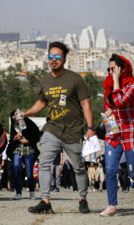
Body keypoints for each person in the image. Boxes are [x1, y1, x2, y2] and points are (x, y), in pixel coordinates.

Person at [24, 42, 95, 214]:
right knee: (44, 163)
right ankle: (45, 201)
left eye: (57, 57)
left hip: (73, 130)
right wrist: (26, 113)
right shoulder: (45, 80)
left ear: (64, 59)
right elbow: (42, 102)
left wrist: (91, 127)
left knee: (78, 167)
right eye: (50, 57)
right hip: (52, 128)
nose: (53, 60)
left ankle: (83, 198)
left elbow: (85, 104)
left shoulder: (75, 79)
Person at [100, 54, 134, 216]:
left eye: (114, 69)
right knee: (110, 169)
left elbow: (120, 101)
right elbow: (112, 104)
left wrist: (116, 81)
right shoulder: (109, 86)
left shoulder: (132, 85)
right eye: (108, 69)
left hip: (131, 132)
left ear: (123, 69)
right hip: (114, 132)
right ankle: (112, 205)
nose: (110, 72)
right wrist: (109, 111)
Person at [7, 110, 40, 200]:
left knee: (29, 172)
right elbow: (11, 140)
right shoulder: (13, 126)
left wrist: (28, 140)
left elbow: (37, 134)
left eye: (18, 118)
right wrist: (14, 138)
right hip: (17, 149)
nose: (16, 120)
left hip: (29, 149)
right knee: (17, 169)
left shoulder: (28, 123)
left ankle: (32, 192)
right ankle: (18, 192)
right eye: (14, 119)